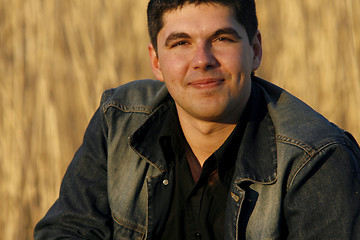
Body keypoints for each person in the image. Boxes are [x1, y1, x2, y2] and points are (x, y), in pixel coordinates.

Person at [34, 0, 360, 239]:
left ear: (255, 50)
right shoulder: (118, 122)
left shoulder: (317, 159)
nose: (202, 60)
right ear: (156, 61)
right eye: (181, 43)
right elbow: (66, 232)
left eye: (222, 39)